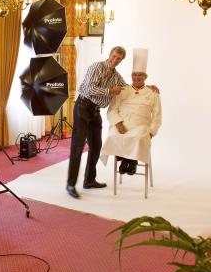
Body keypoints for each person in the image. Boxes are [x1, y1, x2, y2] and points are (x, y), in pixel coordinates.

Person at [66, 46, 158, 199]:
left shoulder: (117, 77)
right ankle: (70, 184)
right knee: (78, 146)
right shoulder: (96, 67)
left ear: (121, 61)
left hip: (95, 111)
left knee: (96, 146)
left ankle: (89, 180)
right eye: (114, 56)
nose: (115, 60)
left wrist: (146, 86)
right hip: (82, 107)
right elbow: (89, 89)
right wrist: (109, 91)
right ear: (110, 55)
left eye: (119, 59)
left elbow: (129, 88)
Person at [101, 48, 162, 176]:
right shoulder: (123, 90)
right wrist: (118, 124)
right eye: (134, 75)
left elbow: (157, 116)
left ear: (145, 77)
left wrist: (151, 132)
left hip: (140, 126)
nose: (137, 77)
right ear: (131, 76)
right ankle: (125, 159)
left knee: (138, 137)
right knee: (113, 135)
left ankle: (128, 160)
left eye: (140, 75)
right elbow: (112, 109)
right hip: (122, 125)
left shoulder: (152, 93)